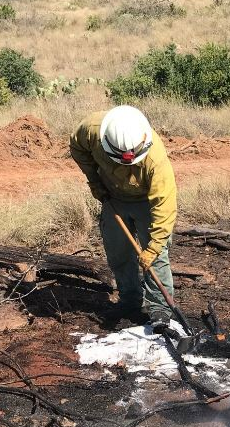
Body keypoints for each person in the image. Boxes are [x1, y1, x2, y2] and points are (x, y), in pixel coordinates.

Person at [70, 105, 178, 326]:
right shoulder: (91, 130)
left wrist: (155, 246)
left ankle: (160, 309)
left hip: (147, 202)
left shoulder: (155, 160)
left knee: (156, 258)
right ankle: (130, 300)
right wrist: (94, 179)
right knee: (118, 253)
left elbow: (164, 206)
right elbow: (77, 148)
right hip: (114, 199)